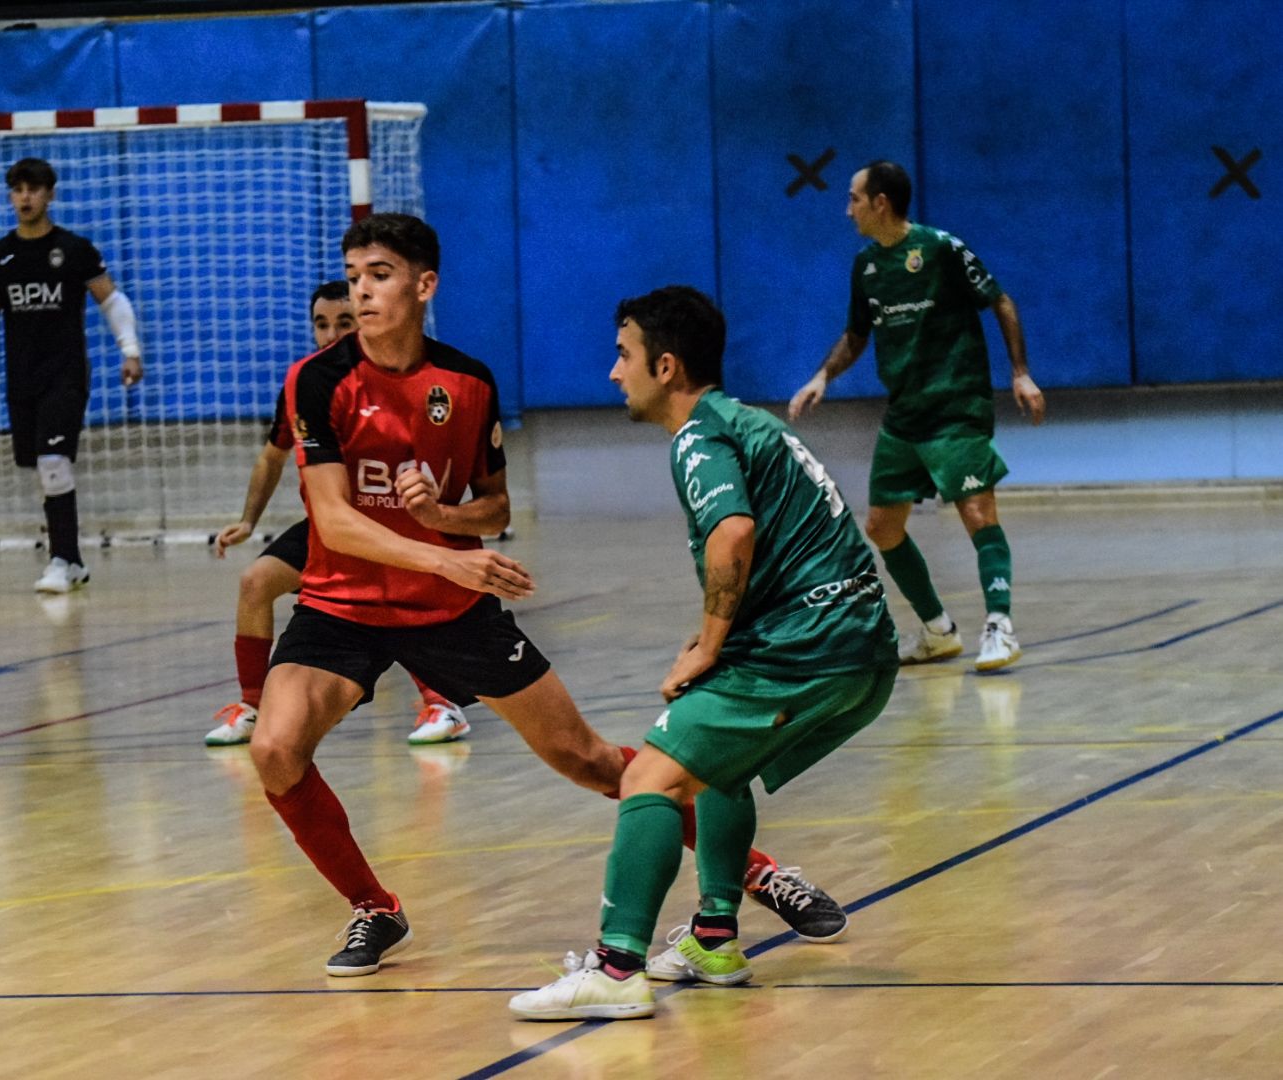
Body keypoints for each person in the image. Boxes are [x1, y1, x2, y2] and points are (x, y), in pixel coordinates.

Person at [251, 217, 846, 980]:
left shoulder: (466, 383)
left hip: (450, 609)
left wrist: (442, 518)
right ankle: (375, 908)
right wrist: (443, 554)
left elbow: (493, 510)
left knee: (592, 760)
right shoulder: (318, 380)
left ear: (424, 285)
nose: (360, 289)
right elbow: (333, 520)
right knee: (273, 749)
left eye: (379, 273)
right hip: (342, 607)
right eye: (354, 273)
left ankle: (759, 872)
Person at [510, 286, 898, 1021]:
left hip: (806, 645)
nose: (611, 373)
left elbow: (733, 535)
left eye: (623, 356)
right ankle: (714, 938)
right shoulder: (745, 422)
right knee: (718, 763)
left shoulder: (697, 437)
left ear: (665, 365)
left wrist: (709, 644)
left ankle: (618, 967)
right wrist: (719, 637)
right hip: (857, 647)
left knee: (649, 780)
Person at [788, 161, 1045, 671]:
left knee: (977, 512)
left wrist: (1021, 373)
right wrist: (821, 377)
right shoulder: (865, 267)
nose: (848, 210)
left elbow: (1001, 301)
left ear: (880, 202)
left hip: (956, 405)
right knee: (882, 528)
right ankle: (937, 629)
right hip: (905, 413)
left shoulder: (940, 249)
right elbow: (857, 335)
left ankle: (1000, 627)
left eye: (854, 199)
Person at [206, 281, 471, 747]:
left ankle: (441, 703)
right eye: (321, 324)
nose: (330, 335)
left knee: (389, 602)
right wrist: (248, 521)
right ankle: (253, 704)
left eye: (342, 323)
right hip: (331, 528)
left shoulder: (392, 380)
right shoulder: (306, 384)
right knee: (255, 583)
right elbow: (272, 457)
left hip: (391, 526)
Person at [0, 158, 144, 593]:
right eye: (17, 189)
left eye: (33, 189)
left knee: (53, 463)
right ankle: (75, 561)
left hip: (65, 375)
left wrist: (130, 350)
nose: (24, 197)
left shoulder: (75, 249)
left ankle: (61, 559)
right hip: (21, 379)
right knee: (44, 468)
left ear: (50, 194)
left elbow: (111, 301)